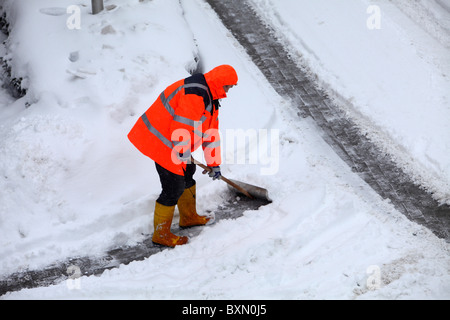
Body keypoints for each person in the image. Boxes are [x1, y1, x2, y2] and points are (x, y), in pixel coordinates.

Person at [128, 65, 238, 247]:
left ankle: (188, 218)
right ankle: (161, 234)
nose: (228, 91)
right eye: (228, 86)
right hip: (160, 140)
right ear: (220, 83)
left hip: (175, 142)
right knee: (173, 186)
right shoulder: (196, 93)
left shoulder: (211, 97)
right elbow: (182, 127)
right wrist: (182, 152)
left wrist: (214, 163)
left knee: (188, 171)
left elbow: (210, 133)